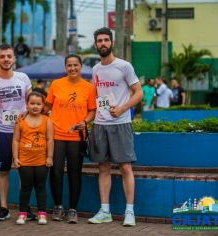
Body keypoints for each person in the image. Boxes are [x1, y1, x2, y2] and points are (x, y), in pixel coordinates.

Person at [88, 27, 143, 226]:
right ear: (96, 45)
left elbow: (138, 93)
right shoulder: (95, 69)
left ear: (111, 43)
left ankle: (130, 212)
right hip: (100, 124)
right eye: (99, 41)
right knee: (103, 168)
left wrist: (122, 109)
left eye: (105, 40)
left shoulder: (124, 66)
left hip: (121, 123)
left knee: (126, 167)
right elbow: (96, 98)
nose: (102, 43)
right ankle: (105, 211)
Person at [46, 54, 97, 224]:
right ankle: (58, 206)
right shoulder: (56, 84)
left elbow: (92, 111)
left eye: (75, 65)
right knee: (56, 171)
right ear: (65, 67)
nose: (72, 68)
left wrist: (85, 122)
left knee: (75, 173)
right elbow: (47, 106)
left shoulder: (88, 88)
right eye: (69, 65)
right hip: (57, 134)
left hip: (77, 136)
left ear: (81, 66)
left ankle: (73, 210)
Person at [0, 44, 33, 221]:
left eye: (9, 56)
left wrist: (27, 113)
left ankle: (25, 208)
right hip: (1, 132)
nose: (6, 59)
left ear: (14, 58)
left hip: (23, 132)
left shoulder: (23, 77)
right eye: (2, 56)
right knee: (3, 172)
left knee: (25, 172)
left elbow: (32, 100)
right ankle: (4, 208)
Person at [12, 92, 54, 225]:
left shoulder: (47, 121)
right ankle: (22, 213)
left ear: (43, 106)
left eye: (38, 104)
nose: (35, 106)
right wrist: (15, 157)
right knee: (25, 187)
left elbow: (50, 140)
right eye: (32, 103)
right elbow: (16, 140)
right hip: (25, 161)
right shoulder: (21, 121)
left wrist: (50, 157)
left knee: (40, 187)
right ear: (27, 104)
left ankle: (42, 213)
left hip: (41, 161)